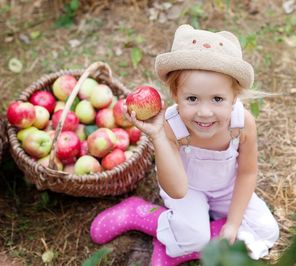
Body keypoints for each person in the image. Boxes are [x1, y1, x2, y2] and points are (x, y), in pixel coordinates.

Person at [90, 24, 279, 263]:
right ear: (175, 96)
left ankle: (185, 240)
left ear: (234, 99)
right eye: (192, 99)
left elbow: (247, 173)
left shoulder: (242, 124)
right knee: (194, 234)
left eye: (218, 99)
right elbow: (177, 190)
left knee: (266, 229)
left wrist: (232, 224)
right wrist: (158, 136)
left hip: (227, 188)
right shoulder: (172, 125)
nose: (204, 112)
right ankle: (140, 214)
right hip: (188, 188)